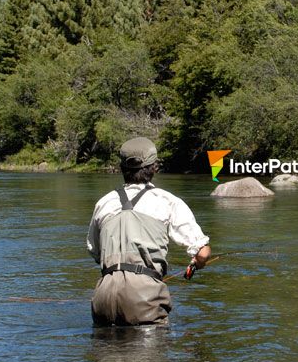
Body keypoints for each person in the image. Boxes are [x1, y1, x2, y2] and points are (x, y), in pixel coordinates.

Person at [87, 137, 211, 326]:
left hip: (103, 296)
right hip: (144, 298)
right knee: (150, 354)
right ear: (154, 168)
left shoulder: (103, 203)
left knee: (107, 353)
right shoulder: (167, 201)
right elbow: (202, 252)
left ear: (122, 169)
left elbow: (95, 252)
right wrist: (197, 263)